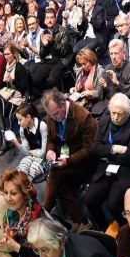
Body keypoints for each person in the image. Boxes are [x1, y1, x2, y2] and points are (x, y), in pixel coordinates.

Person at [41, 89, 97, 232]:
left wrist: (69, 161)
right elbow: (51, 139)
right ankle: (83, 222)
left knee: (55, 175)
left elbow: (89, 150)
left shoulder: (83, 117)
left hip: (83, 163)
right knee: (60, 186)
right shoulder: (52, 115)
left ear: (62, 105)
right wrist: (50, 150)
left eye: (54, 114)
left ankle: (42, 214)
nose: (52, 118)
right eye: (50, 115)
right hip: (63, 161)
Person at [83, 93, 130, 228]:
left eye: (120, 114)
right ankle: (104, 227)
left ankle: (126, 228)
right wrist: (115, 148)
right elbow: (95, 149)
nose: (115, 117)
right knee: (89, 199)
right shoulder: (104, 121)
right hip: (106, 167)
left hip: (127, 170)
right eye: (113, 113)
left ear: (127, 113)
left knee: (113, 203)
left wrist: (106, 151)